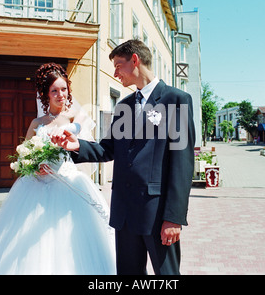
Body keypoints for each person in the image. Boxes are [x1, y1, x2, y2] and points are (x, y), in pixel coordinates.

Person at [52, 40, 195, 275]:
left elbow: (182, 163)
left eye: (118, 65)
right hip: (124, 212)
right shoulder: (124, 106)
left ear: (135, 60)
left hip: (157, 213)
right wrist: (75, 145)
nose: (115, 72)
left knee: (167, 276)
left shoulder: (176, 100)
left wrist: (174, 218)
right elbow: (108, 149)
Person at [0, 63, 116, 275]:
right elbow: (24, 155)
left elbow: (86, 147)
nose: (60, 94)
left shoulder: (77, 117)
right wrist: (34, 166)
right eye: (54, 90)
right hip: (37, 187)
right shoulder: (37, 122)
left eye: (64, 89)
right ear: (46, 94)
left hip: (68, 183)